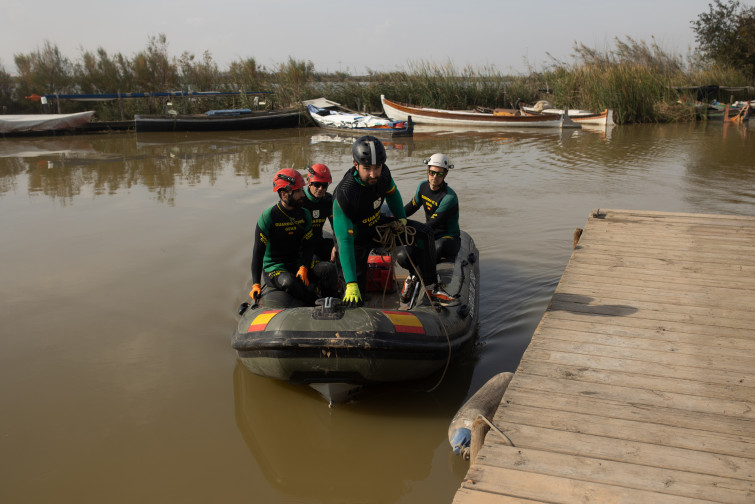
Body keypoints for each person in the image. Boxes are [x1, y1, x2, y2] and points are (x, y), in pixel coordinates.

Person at [332, 135, 454, 308]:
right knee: (354, 294)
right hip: (355, 239)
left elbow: (393, 194)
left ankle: (431, 288)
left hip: (377, 225)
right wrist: (351, 283)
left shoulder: (384, 174)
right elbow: (344, 241)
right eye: (367, 168)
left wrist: (401, 220)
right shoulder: (345, 194)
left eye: (377, 167)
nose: (373, 174)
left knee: (424, 234)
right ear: (356, 165)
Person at [250, 168, 338, 305]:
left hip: (297, 262)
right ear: (284, 194)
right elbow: (258, 252)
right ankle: (314, 303)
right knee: (289, 282)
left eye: (302, 190)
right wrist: (255, 283)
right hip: (275, 268)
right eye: (297, 191)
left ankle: (332, 301)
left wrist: (304, 266)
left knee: (329, 269)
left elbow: (309, 246)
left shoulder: (304, 214)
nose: (303, 194)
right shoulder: (268, 217)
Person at [403, 153, 461, 262]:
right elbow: (412, 206)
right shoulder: (422, 186)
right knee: (403, 256)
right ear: (427, 171)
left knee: (438, 247)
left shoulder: (449, 197)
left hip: (448, 238)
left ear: (445, 174)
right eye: (432, 172)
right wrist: (395, 218)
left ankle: (423, 274)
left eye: (439, 174)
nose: (435, 177)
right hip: (430, 234)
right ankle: (413, 273)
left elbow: (433, 223)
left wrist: (409, 231)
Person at [302, 163, 336, 263]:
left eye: (324, 185)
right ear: (309, 183)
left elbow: (336, 226)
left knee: (343, 249)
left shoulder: (328, 200)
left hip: (318, 242)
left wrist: (337, 246)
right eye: (317, 184)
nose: (321, 188)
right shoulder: (300, 200)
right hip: (301, 247)